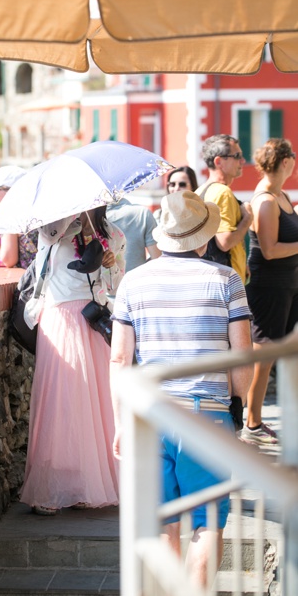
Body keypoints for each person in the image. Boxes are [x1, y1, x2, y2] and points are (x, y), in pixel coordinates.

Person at [110, 190, 253, 589]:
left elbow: (119, 361)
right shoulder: (227, 280)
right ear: (203, 239)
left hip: (150, 415)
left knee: (162, 521)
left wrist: (121, 422)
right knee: (207, 522)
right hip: (205, 414)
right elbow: (242, 355)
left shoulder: (132, 282)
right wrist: (236, 408)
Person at [19, 205, 125, 515]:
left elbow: (116, 283)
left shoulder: (114, 234)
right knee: (62, 400)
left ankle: (87, 485)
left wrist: (111, 261)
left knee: (96, 404)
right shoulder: (54, 227)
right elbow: (46, 253)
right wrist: (78, 226)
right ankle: (53, 488)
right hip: (60, 315)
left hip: (94, 318)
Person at [241, 138, 298, 445]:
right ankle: (252, 424)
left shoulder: (283, 196)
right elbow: (270, 249)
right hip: (268, 289)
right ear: (285, 162)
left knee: (278, 356)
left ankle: (257, 420)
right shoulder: (265, 200)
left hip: (288, 286)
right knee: (263, 359)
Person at [196, 135, 253, 283]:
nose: (243, 161)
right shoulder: (222, 192)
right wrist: (247, 219)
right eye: (237, 156)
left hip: (208, 277)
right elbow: (225, 242)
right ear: (219, 161)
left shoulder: (200, 191)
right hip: (226, 282)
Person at [107, 197, 160, 272]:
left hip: (99, 282)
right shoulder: (142, 213)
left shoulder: (88, 218)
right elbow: (157, 259)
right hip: (137, 281)